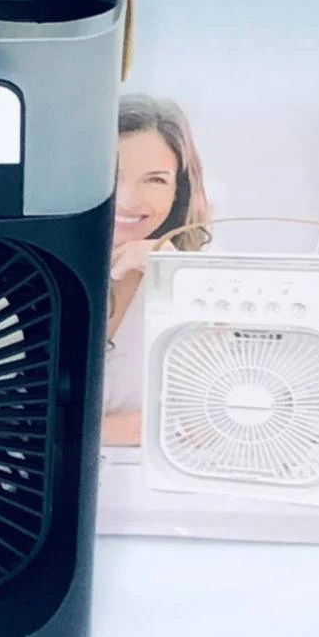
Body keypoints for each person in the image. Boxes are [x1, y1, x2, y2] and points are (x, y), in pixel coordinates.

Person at [102, 96, 210, 446]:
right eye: (112, 175)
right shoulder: (26, 272)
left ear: (179, 191)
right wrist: (102, 431)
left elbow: (210, 425)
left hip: (140, 476)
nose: (129, 200)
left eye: (156, 180)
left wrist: (179, 278)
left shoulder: (198, 279)